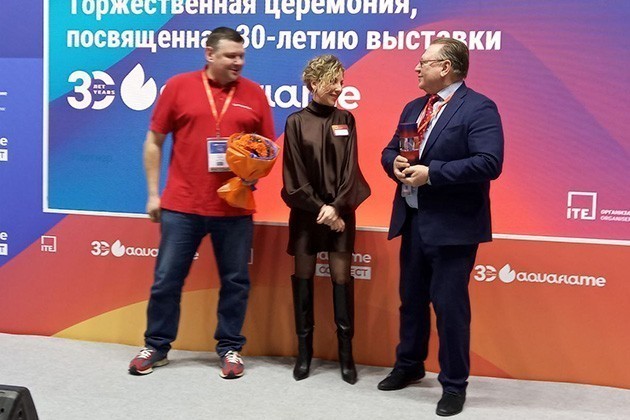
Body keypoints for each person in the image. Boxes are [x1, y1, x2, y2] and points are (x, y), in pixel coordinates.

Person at [128, 27, 275, 379]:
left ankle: (230, 348)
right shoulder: (178, 86)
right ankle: (156, 346)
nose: (238, 62)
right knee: (166, 280)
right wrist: (153, 193)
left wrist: (252, 175)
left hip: (234, 208)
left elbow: (267, 148)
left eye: (242, 56)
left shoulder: (254, 93)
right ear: (210, 54)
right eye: (231, 56)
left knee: (235, 282)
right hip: (182, 206)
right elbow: (153, 141)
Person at [379, 38, 504, 416]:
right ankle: (409, 364)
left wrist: (432, 173)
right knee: (412, 300)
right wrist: (394, 163)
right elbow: (391, 149)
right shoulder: (414, 107)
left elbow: (489, 162)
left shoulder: (479, 107)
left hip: (454, 227)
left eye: (424, 62)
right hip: (413, 219)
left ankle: (454, 384)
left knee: (450, 308)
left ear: (446, 67)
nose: (417, 68)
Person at [281, 55, 371, 385]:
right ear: (314, 83)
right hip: (306, 216)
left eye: (342, 81)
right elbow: (293, 176)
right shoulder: (295, 122)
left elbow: (351, 171)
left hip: (341, 215)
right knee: (303, 278)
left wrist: (337, 208)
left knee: (342, 279)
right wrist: (322, 208)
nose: (339, 87)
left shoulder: (347, 119)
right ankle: (304, 354)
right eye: (333, 81)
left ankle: (346, 356)